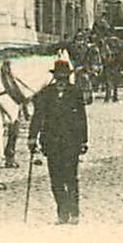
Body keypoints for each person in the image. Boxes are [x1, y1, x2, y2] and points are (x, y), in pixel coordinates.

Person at [29, 58, 89, 224]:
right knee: (55, 179)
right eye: (59, 77)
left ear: (68, 78)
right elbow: (37, 116)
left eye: (64, 77)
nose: (62, 81)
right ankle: (62, 212)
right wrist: (32, 138)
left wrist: (84, 140)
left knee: (71, 178)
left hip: (72, 142)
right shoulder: (46, 93)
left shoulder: (75, 93)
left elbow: (82, 118)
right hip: (51, 143)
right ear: (55, 77)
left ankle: (74, 212)